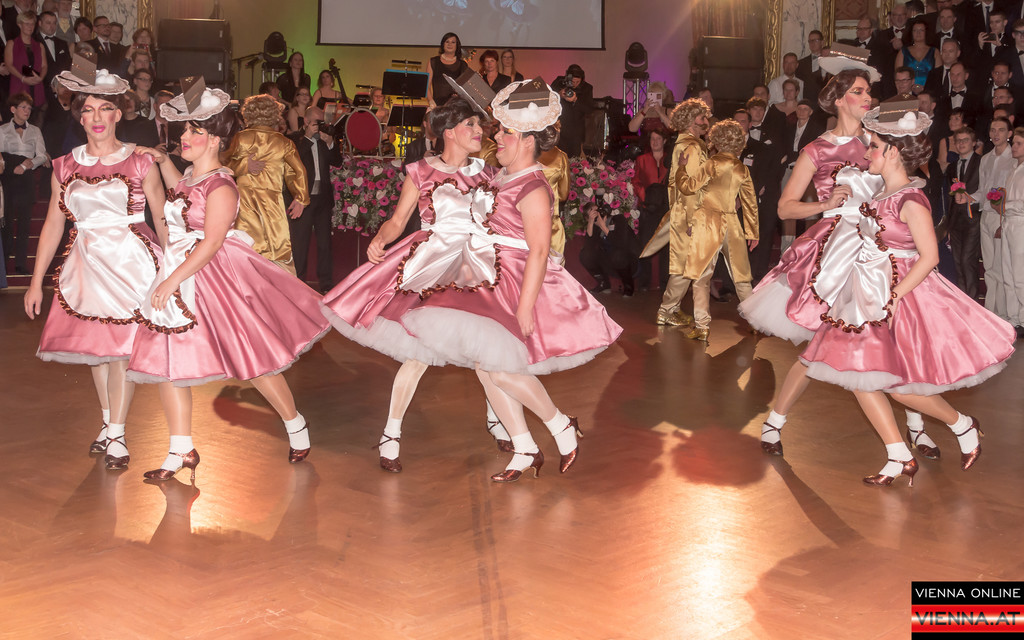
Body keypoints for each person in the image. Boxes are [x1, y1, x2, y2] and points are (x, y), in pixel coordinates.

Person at [396, 80, 622, 481]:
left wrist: (525, 307)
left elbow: (539, 250)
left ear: (528, 141)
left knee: (500, 369)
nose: (496, 137)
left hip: (516, 282)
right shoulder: (501, 177)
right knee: (486, 366)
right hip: (490, 276)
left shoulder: (533, 185)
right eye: (498, 130)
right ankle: (524, 447)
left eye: (506, 132)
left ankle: (560, 427)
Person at [799, 105, 1015, 485]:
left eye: (874, 146)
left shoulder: (911, 200)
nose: (868, 152)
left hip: (899, 295)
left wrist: (895, 295)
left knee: (897, 387)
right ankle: (900, 454)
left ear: (894, 151)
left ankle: (961, 425)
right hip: (866, 293)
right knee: (858, 377)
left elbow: (930, 257)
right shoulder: (882, 192)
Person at [127, 84, 331, 480]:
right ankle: (180, 449)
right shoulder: (191, 176)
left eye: (194, 131)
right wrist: (162, 160)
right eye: (184, 130)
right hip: (181, 272)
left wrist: (171, 281)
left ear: (215, 140)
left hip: (211, 279)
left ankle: (295, 424)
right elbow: (181, 190)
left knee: (251, 359)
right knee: (168, 361)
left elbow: (212, 242)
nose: (184, 137)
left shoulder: (222, 185)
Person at [739, 53, 932, 457]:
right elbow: (785, 208)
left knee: (896, 339)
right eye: (859, 91)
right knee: (821, 345)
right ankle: (775, 422)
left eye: (869, 91)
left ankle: (916, 426)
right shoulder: (816, 149)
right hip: (836, 252)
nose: (868, 97)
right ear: (840, 99)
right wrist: (826, 205)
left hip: (881, 248)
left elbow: (908, 182)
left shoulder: (880, 141)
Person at [320, 96, 512, 473]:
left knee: (486, 350)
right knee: (421, 353)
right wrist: (380, 239)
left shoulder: (490, 173)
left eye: (480, 125)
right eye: (472, 125)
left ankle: (498, 418)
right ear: (449, 132)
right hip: (434, 265)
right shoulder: (421, 171)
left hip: (477, 266)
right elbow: (398, 220)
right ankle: (391, 433)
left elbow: (502, 222)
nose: (480, 131)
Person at [23, 68, 167, 471]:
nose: (98, 116)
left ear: (118, 114)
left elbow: (161, 218)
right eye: (89, 110)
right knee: (97, 355)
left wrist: (174, 270)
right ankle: (108, 423)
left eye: (106, 108)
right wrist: (35, 283)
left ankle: (117, 434)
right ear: (80, 117)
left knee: (120, 354)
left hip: (131, 265)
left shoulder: (141, 162)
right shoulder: (64, 165)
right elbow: (54, 224)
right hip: (85, 265)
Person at [672, 119, 758, 341]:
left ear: (717, 140)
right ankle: (755, 322)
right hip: (732, 223)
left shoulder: (711, 164)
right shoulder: (742, 168)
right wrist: (752, 232)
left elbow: (688, 187)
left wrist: (681, 168)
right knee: (741, 278)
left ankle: (702, 326)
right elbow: (750, 203)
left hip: (708, 221)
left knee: (701, 277)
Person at [223, 93, 308, 273]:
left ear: (249, 113)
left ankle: (246, 284)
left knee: (246, 246)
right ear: (275, 114)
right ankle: (278, 286)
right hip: (272, 202)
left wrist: (244, 166)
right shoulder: (283, 142)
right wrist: (301, 197)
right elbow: (297, 171)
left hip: (245, 202)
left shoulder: (241, 138)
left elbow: (223, 165)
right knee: (278, 248)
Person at [647, 98, 711, 326]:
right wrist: (695, 219)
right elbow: (690, 188)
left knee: (685, 265)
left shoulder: (686, 143)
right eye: (702, 117)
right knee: (685, 266)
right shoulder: (692, 147)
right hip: (689, 213)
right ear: (691, 121)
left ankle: (670, 308)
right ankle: (666, 310)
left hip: (683, 212)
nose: (706, 122)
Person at [287, 106, 339, 293]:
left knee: (325, 244)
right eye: (317, 122)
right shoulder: (294, 139)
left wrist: (330, 142)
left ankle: (326, 285)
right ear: (306, 121)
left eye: (322, 122)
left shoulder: (324, 139)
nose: (320, 126)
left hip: (323, 198)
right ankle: (298, 283)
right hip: (302, 198)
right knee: (300, 242)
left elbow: (337, 161)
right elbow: (294, 160)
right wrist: (309, 138)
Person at [0, 92, 48, 274]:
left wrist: (28, 164)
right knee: (6, 221)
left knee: (24, 223)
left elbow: (41, 155)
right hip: (8, 177)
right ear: (13, 109)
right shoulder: (3, 129)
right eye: (23, 107)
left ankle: (20, 263)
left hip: (26, 176)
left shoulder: (35, 130)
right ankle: (4, 262)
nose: (27, 111)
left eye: (29, 108)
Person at [976, 117, 1014, 320]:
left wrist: (1004, 218)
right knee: (989, 267)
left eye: (1001, 130)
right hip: (986, 215)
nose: (996, 133)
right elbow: (982, 191)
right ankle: (991, 313)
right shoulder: (985, 159)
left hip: (1002, 215)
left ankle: (1005, 314)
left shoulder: (1014, 158)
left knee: (1001, 267)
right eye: (993, 130)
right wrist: (968, 197)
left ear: (1009, 134)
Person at [944, 125, 982, 299]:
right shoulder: (952, 167)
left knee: (968, 261)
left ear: (973, 143)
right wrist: (948, 224)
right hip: (956, 220)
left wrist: (970, 199)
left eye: (965, 140)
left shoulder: (982, 162)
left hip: (974, 219)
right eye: (958, 141)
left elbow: (986, 188)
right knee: (958, 263)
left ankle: (972, 302)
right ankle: (962, 301)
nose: (961, 143)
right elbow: (949, 197)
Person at [580, 201, 638, 296]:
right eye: (593, 214)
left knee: (617, 255)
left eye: (597, 211)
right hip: (610, 263)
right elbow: (588, 248)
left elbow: (621, 244)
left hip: (628, 261)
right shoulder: (595, 227)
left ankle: (628, 285)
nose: (597, 214)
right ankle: (604, 283)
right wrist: (590, 223)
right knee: (585, 255)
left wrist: (604, 227)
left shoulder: (618, 220)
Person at [5, 11, 46, 109]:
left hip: (36, 84)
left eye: (32, 24)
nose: (30, 27)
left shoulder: (39, 45)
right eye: (27, 24)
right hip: (19, 84)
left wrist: (41, 78)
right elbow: (9, 65)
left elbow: (44, 66)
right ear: (20, 25)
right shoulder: (11, 44)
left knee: (37, 114)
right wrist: (23, 78)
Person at [552, 64, 593, 157]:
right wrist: (559, 94)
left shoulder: (587, 88)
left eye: (577, 82)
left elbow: (589, 109)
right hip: (560, 128)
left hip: (576, 130)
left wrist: (575, 100)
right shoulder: (560, 82)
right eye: (572, 81)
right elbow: (548, 97)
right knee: (559, 157)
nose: (574, 84)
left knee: (574, 158)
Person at [426, 32, 468, 108]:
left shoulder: (463, 65)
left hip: (457, 106)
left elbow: (466, 89)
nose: (449, 44)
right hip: (437, 105)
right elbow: (427, 85)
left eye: (453, 42)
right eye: (447, 42)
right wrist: (431, 101)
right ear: (443, 44)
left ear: (457, 45)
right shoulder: (433, 62)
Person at [895, 20, 936, 91]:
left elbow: (938, 76)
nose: (918, 33)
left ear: (926, 32)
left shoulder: (935, 52)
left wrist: (925, 89)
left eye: (921, 30)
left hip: (929, 92)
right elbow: (898, 76)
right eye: (915, 30)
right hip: (907, 92)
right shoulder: (903, 52)